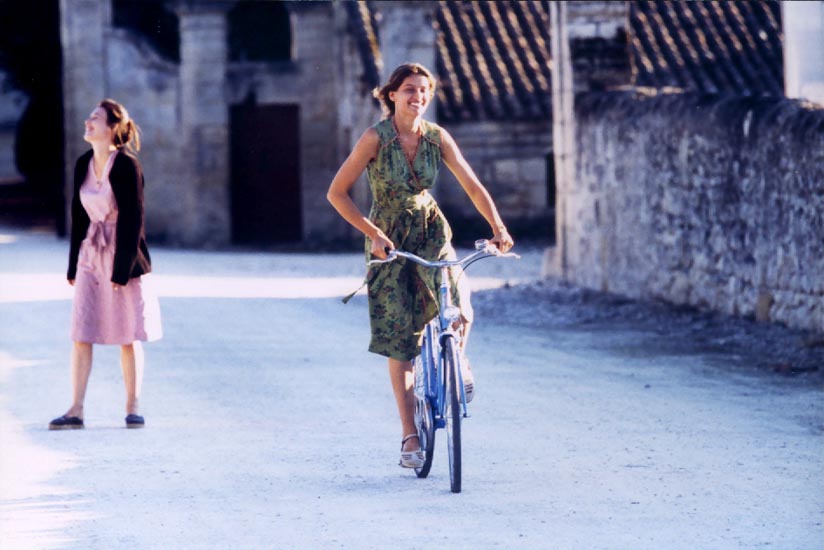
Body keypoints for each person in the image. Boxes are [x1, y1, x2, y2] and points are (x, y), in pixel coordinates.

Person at [327, 63, 514, 468]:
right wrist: (372, 232)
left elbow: (472, 185)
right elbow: (337, 193)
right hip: (388, 238)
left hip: (431, 227)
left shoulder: (437, 137)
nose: (419, 97)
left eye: (425, 90)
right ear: (391, 95)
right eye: (410, 89)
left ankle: (457, 362)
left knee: (458, 303)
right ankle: (410, 436)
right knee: (401, 339)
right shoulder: (374, 139)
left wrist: (497, 225)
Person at [49, 99, 161, 430]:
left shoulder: (127, 165)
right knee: (81, 331)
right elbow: (78, 216)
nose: (88, 122)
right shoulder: (83, 163)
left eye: (95, 118)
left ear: (112, 127)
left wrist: (122, 270)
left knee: (127, 334)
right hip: (90, 256)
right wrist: (72, 266)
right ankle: (76, 410)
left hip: (121, 255)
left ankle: (132, 407)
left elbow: (134, 218)